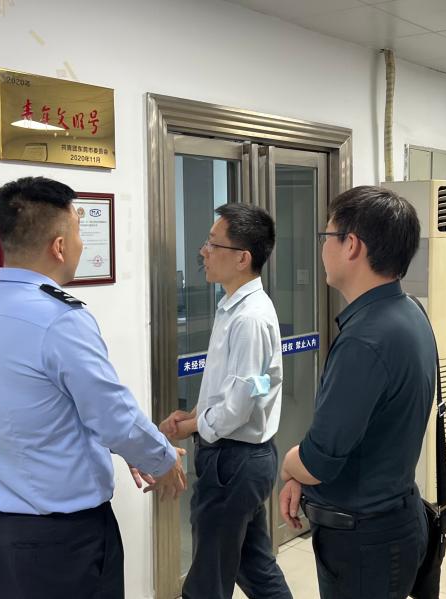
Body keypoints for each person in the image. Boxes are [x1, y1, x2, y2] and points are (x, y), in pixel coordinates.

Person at [0, 176, 186, 599]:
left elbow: (45, 413)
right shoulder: (61, 319)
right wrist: (161, 458)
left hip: (5, 533)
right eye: (79, 232)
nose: (83, 244)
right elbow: (113, 415)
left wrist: (129, 448)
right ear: (59, 246)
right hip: (65, 543)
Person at [277, 185, 436, 599]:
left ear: (351, 245)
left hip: (366, 541)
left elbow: (318, 460)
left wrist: (291, 466)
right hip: (393, 519)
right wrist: (305, 478)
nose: (322, 249)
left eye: (326, 236)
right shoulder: (408, 311)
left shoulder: (366, 338)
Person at [160, 204, 292, 599]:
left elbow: (237, 408)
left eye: (212, 244)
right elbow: (229, 388)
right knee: (256, 569)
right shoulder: (233, 306)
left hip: (234, 461)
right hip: (239, 459)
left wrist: (188, 427)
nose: (203, 251)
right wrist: (194, 414)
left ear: (242, 258)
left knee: (207, 582)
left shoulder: (249, 317)